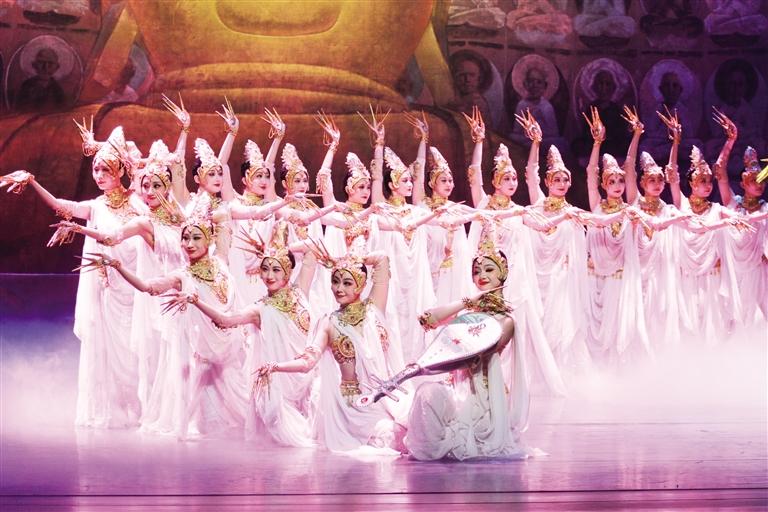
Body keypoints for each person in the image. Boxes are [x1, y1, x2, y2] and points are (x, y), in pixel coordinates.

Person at [2, 126, 144, 428]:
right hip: (106, 292)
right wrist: (33, 182)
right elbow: (61, 206)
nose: (99, 175)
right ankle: (112, 412)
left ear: (120, 171)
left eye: (106, 169)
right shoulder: (95, 207)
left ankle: (141, 410)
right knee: (106, 350)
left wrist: (102, 144)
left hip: (134, 289)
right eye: (96, 169)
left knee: (135, 351)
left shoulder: (137, 203)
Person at [84, 211, 250, 439]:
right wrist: (117, 266)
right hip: (204, 348)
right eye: (185, 238)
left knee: (239, 401)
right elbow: (147, 287)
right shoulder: (182, 276)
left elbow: (224, 220)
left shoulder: (221, 262)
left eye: (196, 238)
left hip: (230, 343)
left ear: (208, 240)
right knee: (200, 405)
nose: (189, 244)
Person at [164, 222, 318, 447]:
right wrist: (196, 302)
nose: (269, 275)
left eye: (276, 269)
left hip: (305, 376)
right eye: (265, 269)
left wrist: (282, 248)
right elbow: (224, 320)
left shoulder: (300, 290)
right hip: (279, 384)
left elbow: (312, 249)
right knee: (287, 436)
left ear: (288, 271)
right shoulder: (259, 309)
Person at [253, 245, 410, 454]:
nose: (339, 288)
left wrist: (345, 260)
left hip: (385, 397)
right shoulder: (328, 323)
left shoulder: (373, 309)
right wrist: (276, 366)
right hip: (354, 408)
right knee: (395, 437)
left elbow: (382, 258)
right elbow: (308, 362)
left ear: (361, 284)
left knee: (416, 422)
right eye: (335, 281)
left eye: (347, 283)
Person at [405, 223, 533, 461]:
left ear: (503, 273)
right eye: (476, 271)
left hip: (482, 394)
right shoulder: (467, 312)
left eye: (489, 270)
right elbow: (427, 319)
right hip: (456, 385)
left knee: (435, 403)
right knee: (426, 395)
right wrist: (467, 302)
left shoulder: (506, 320)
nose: (482, 276)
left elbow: (476, 355)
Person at [465, 107, 567, 394]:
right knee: (486, 328)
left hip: (514, 283)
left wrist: (568, 215)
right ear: (495, 181)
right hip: (487, 283)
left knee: (512, 329)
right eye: (506, 178)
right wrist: (479, 142)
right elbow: (474, 176)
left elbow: (543, 224)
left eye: (513, 178)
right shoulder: (484, 204)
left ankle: (510, 379)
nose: (512, 183)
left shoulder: (520, 211)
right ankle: (484, 376)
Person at [583, 107, 650, 362]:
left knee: (620, 325)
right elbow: (591, 172)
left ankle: (620, 367)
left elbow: (630, 166)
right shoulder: (597, 206)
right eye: (611, 181)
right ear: (603, 185)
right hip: (596, 277)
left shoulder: (630, 207)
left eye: (620, 181)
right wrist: (596, 143)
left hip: (621, 279)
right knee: (597, 328)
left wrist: (636, 135)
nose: (618, 185)